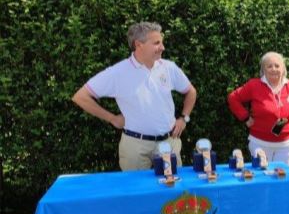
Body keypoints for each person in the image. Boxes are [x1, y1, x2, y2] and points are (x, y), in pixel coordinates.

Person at [72, 22, 197, 170]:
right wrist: (112, 118)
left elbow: (191, 91)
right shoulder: (118, 72)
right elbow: (80, 96)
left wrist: (184, 118)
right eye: (156, 43)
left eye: (162, 42)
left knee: (171, 191)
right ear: (139, 45)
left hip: (169, 143)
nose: (162, 47)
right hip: (135, 148)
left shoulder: (169, 67)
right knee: (136, 192)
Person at [227, 52, 289, 167]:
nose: (273, 69)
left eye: (277, 66)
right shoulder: (254, 85)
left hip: (286, 145)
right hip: (259, 144)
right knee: (261, 178)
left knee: (283, 178)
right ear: (263, 70)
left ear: (283, 68)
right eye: (269, 66)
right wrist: (245, 117)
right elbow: (233, 98)